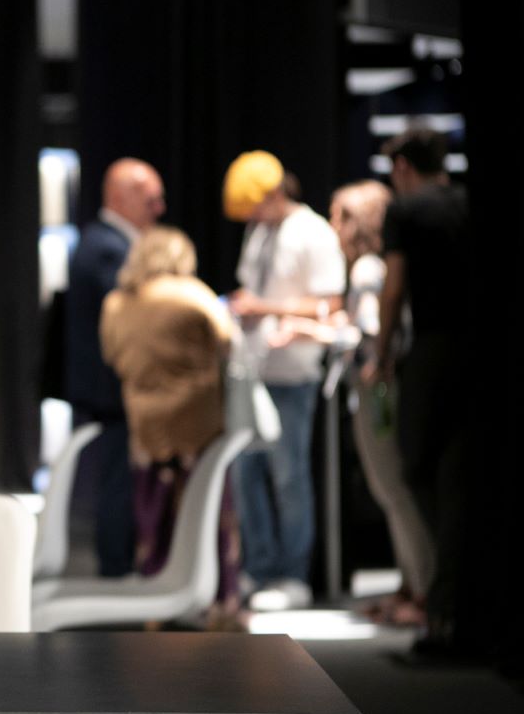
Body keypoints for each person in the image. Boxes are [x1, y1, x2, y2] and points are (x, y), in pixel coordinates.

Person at [272, 181, 433, 626]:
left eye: (338, 216)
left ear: (357, 222)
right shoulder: (375, 266)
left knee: (393, 489)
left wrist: (310, 331)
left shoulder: (365, 269)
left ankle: (421, 592)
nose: (331, 226)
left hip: (376, 387)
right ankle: (411, 587)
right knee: (392, 490)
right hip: (384, 385)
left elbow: (368, 332)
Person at [224, 151, 347, 609]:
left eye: (256, 207)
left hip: (293, 373)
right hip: (253, 368)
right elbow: (250, 289)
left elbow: (331, 304)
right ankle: (258, 567)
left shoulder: (312, 232)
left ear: (275, 193)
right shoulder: (260, 232)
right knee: (246, 474)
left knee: (288, 475)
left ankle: (294, 574)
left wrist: (267, 309)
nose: (252, 218)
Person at [100, 226, 241, 622]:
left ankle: (156, 604)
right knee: (208, 515)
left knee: (154, 517)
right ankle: (220, 603)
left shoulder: (116, 304)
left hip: (146, 422)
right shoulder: (192, 295)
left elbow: (111, 355)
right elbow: (227, 341)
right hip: (197, 422)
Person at [369, 128, 471, 654]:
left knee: (418, 471)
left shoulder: (405, 211)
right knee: (464, 476)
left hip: (432, 350)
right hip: (481, 353)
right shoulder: (467, 203)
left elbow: (393, 290)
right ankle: (457, 604)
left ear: (403, 167)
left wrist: (382, 354)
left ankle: (446, 602)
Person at [64, 157, 166, 577]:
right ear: (121, 197)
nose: (159, 209)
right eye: (151, 200)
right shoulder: (109, 247)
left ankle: (119, 563)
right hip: (111, 388)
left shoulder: (101, 241)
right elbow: (133, 318)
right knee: (117, 479)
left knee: (116, 476)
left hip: (107, 386)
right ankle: (116, 567)